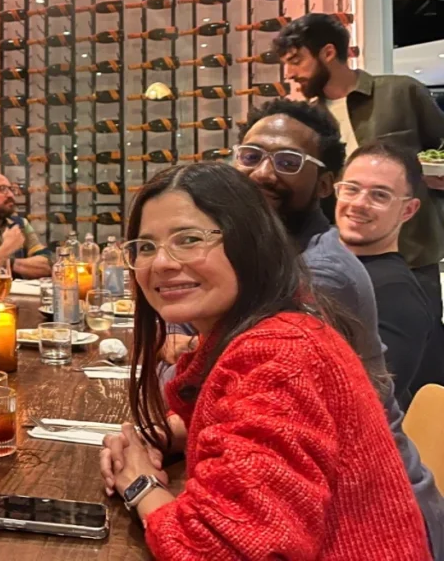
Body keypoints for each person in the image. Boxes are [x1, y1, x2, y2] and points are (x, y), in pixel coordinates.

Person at [98, 162, 430, 560]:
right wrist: (167, 434)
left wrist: (140, 485)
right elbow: (246, 421)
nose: (162, 263)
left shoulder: (281, 352)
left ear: (250, 243)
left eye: (188, 239)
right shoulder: (271, 329)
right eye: (146, 246)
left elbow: (225, 551)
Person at [160, 98, 444, 557]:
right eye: (250, 156)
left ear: (325, 184)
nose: (262, 173)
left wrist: (140, 485)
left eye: (288, 162)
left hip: (373, 519)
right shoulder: (275, 257)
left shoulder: (318, 274)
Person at [275, 12, 444, 311]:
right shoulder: (310, 121)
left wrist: (430, 176)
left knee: (426, 341)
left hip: (412, 251)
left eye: (296, 60)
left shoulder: (400, 92)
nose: (288, 73)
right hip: (343, 258)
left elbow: (440, 144)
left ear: (328, 52)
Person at [335, 141, 444, 410]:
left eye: (380, 195)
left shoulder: (398, 298)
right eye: (351, 189)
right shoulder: (320, 255)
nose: (359, 203)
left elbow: (365, 406)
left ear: (408, 210)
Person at [0, 173, 53, 279]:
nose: (11, 195)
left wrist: (7, 262)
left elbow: (47, 264)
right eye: (2, 189)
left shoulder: (20, 224)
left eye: (11, 189)